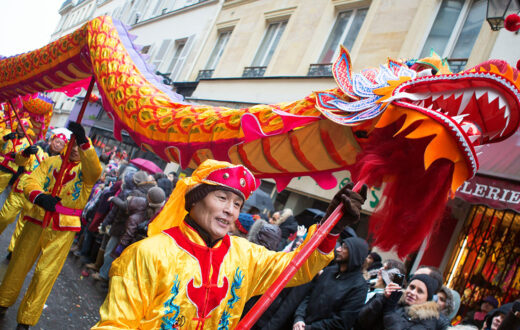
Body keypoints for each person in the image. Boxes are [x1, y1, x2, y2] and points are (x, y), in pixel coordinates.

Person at [93, 159, 368, 329]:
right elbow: (117, 324)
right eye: (222, 198)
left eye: (237, 204)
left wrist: (330, 229)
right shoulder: (148, 253)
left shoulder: (244, 255)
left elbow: (295, 268)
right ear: (195, 200)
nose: (230, 210)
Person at [0, 122, 102, 329]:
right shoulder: (51, 162)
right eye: (72, 144)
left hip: (63, 230)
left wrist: (84, 142)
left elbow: (96, 170)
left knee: (45, 274)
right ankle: (2, 303)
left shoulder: (87, 171)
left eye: (78, 146)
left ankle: (26, 320)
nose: (74, 149)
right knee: (18, 264)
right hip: (37, 219)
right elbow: (31, 180)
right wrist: (39, 197)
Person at [0, 132, 68, 259]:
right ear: (51, 140)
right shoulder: (38, 149)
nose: (58, 145)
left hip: (37, 196)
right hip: (21, 190)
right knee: (5, 217)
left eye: (61, 144)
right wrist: (26, 153)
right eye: (56, 141)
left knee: (22, 226)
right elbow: (19, 161)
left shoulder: (61, 163)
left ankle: (13, 251)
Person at [293, 236, 369, 329]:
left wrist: (309, 328)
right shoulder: (329, 271)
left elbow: (342, 322)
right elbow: (309, 295)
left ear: (355, 254)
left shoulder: (359, 287)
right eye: (341, 245)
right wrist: (299, 317)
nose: (338, 249)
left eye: (344, 247)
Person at [356, 274, 450, 330]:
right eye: (412, 287)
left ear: (427, 298)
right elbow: (361, 321)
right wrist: (383, 299)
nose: (412, 292)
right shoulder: (394, 300)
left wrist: (390, 311)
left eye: (420, 291)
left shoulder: (430, 320)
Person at [0, 120, 35, 194]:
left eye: (25, 126)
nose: (22, 128)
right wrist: (5, 138)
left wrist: (18, 155)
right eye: (20, 125)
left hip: (9, 170)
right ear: (17, 125)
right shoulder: (7, 132)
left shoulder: (28, 142)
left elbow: (24, 162)